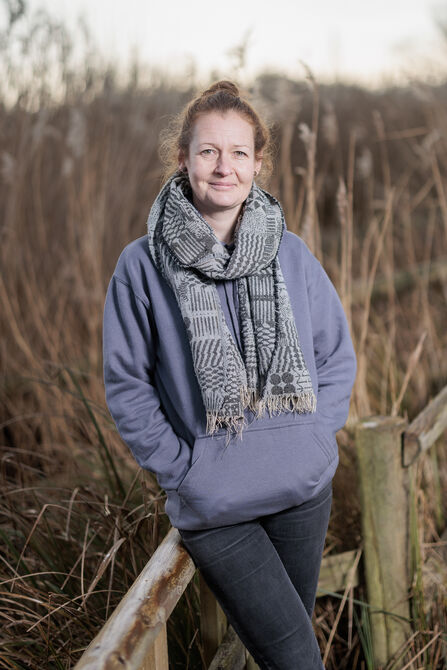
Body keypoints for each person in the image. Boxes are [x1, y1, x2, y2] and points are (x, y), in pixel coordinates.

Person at [102, 80, 357, 669]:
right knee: (296, 657)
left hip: (304, 488)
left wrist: (317, 436)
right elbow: (128, 385)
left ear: (257, 163)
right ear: (185, 159)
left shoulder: (290, 252)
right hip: (217, 506)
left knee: (281, 649)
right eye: (209, 151)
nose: (224, 167)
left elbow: (335, 354)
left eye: (239, 152)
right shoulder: (141, 265)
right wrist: (185, 471)